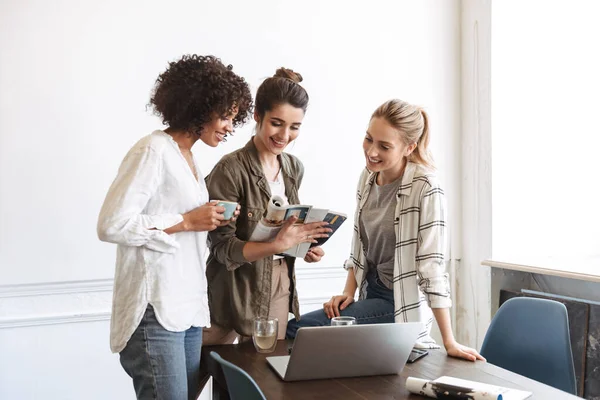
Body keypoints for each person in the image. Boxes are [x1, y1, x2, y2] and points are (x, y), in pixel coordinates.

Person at [97, 54, 252, 400]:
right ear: (199, 106)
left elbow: (180, 221)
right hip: (155, 309)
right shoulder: (152, 150)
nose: (230, 126)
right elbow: (111, 224)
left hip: (187, 310)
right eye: (225, 115)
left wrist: (208, 217)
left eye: (233, 117)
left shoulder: (190, 159)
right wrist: (185, 221)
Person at [286, 99, 485, 362]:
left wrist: (449, 340)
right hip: (370, 292)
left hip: (399, 304)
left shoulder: (425, 187)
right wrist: (348, 293)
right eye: (369, 139)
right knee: (298, 331)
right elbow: (359, 244)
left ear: (409, 147)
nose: (372, 152)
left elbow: (431, 267)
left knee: (301, 330)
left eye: (384, 146)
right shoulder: (368, 178)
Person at [203, 68, 332, 346]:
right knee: (204, 379)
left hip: (277, 283)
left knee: (264, 380)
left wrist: (302, 245)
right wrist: (277, 245)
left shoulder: (293, 168)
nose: (284, 135)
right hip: (232, 288)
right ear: (257, 116)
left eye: (294, 127)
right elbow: (223, 248)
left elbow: (284, 226)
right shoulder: (230, 169)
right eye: (276, 123)